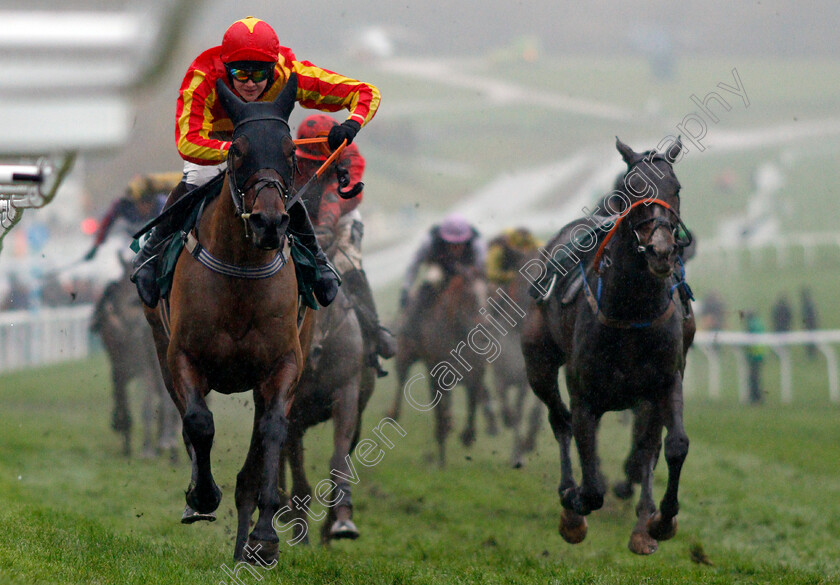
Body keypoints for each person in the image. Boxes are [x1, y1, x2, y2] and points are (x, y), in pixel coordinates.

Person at [131, 16, 380, 309]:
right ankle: (150, 254)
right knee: (197, 179)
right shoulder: (202, 76)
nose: (250, 82)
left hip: (264, 147)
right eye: (240, 72)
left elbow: (365, 93)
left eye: (260, 73)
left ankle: (318, 261)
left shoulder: (291, 73)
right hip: (217, 143)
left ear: (274, 68)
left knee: (279, 185)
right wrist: (234, 151)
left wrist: (351, 124)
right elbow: (187, 142)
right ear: (225, 67)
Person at [295, 113, 395, 376]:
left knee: (346, 265)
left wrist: (325, 227)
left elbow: (338, 194)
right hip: (301, 216)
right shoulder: (290, 153)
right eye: (308, 161)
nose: (312, 167)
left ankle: (374, 333)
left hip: (341, 218)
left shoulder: (351, 156)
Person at [399, 213, 487, 330]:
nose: (455, 248)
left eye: (459, 244)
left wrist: (469, 272)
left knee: (480, 290)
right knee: (431, 280)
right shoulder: (430, 240)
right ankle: (414, 322)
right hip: (441, 269)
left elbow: (481, 267)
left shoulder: (477, 244)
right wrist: (406, 288)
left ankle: (486, 326)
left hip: (467, 272)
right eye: (451, 244)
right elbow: (414, 264)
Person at [84, 173, 181, 261]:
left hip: (151, 238)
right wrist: (96, 246)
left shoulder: (161, 204)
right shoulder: (122, 205)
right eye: (142, 203)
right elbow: (106, 224)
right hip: (129, 235)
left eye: (149, 203)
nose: (145, 208)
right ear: (135, 202)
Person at [744, 310, 767, 404]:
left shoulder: (751, 325)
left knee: (753, 378)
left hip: (754, 355)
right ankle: (757, 397)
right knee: (757, 378)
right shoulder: (760, 323)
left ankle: (755, 398)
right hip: (761, 354)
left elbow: (747, 339)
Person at [801, 287, 819, 359]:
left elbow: (805, 317)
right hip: (812, 324)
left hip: (809, 325)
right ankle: (812, 353)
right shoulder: (810, 304)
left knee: (810, 340)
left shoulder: (806, 305)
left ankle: (811, 354)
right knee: (811, 339)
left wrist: (804, 324)